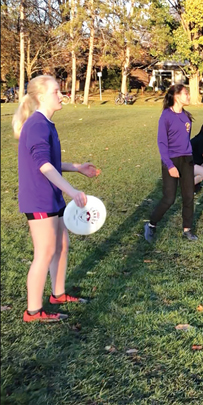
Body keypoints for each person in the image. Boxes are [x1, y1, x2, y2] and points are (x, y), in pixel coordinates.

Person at [12, 75, 101, 322]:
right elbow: (43, 166)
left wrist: (77, 167)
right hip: (39, 199)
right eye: (56, 92)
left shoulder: (46, 123)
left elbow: (50, 162)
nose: (61, 95)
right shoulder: (37, 125)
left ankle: (58, 294)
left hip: (52, 197)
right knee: (46, 251)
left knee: (61, 247)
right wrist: (72, 191)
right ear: (41, 96)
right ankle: (33, 311)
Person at [144, 84, 198, 242]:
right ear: (176, 96)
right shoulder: (166, 116)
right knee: (169, 198)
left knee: (189, 196)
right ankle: (151, 225)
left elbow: (186, 140)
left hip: (187, 159)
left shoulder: (187, 117)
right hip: (171, 160)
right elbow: (162, 143)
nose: (188, 96)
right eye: (186, 94)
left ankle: (187, 229)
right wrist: (170, 165)